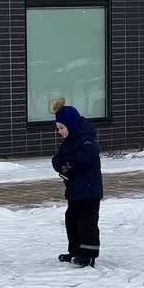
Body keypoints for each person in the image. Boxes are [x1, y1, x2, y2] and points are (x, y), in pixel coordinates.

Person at [50, 101, 103, 267]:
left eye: (61, 128)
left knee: (87, 222)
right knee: (71, 219)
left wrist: (69, 165)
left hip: (89, 190)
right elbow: (57, 159)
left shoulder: (86, 139)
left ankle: (88, 255)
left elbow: (87, 158)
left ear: (71, 125)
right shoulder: (70, 140)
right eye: (58, 128)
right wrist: (62, 165)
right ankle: (75, 251)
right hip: (75, 189)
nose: (59, 132)